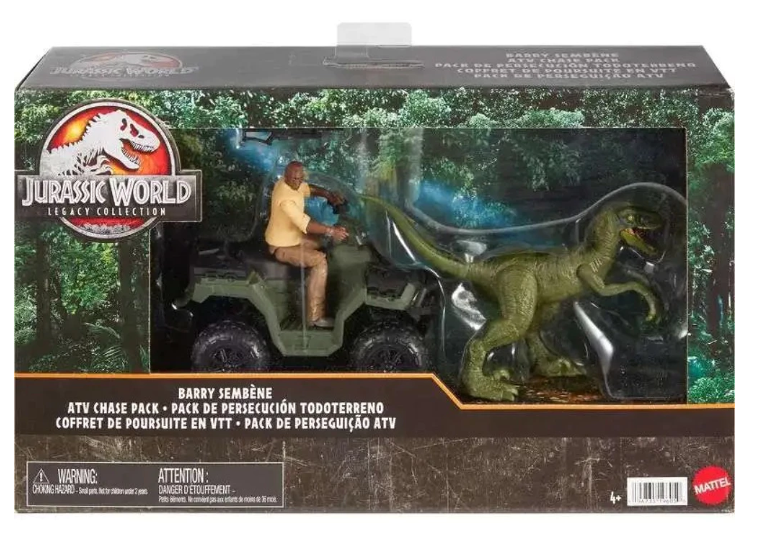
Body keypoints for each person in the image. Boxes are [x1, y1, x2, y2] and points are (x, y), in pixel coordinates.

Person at [264, 161, 349, 328]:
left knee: (320, 242)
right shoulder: (285, 198)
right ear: (286, 176)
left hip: (291, 237)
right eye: (294, 179)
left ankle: (314, 283)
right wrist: (332, 230)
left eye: (300, 178)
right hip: (282, 247)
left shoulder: (291, 184)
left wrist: (328, 195)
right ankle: (315, 317)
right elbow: (307, 225)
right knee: (319, 260)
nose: (297, 182)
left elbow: (307, 189)